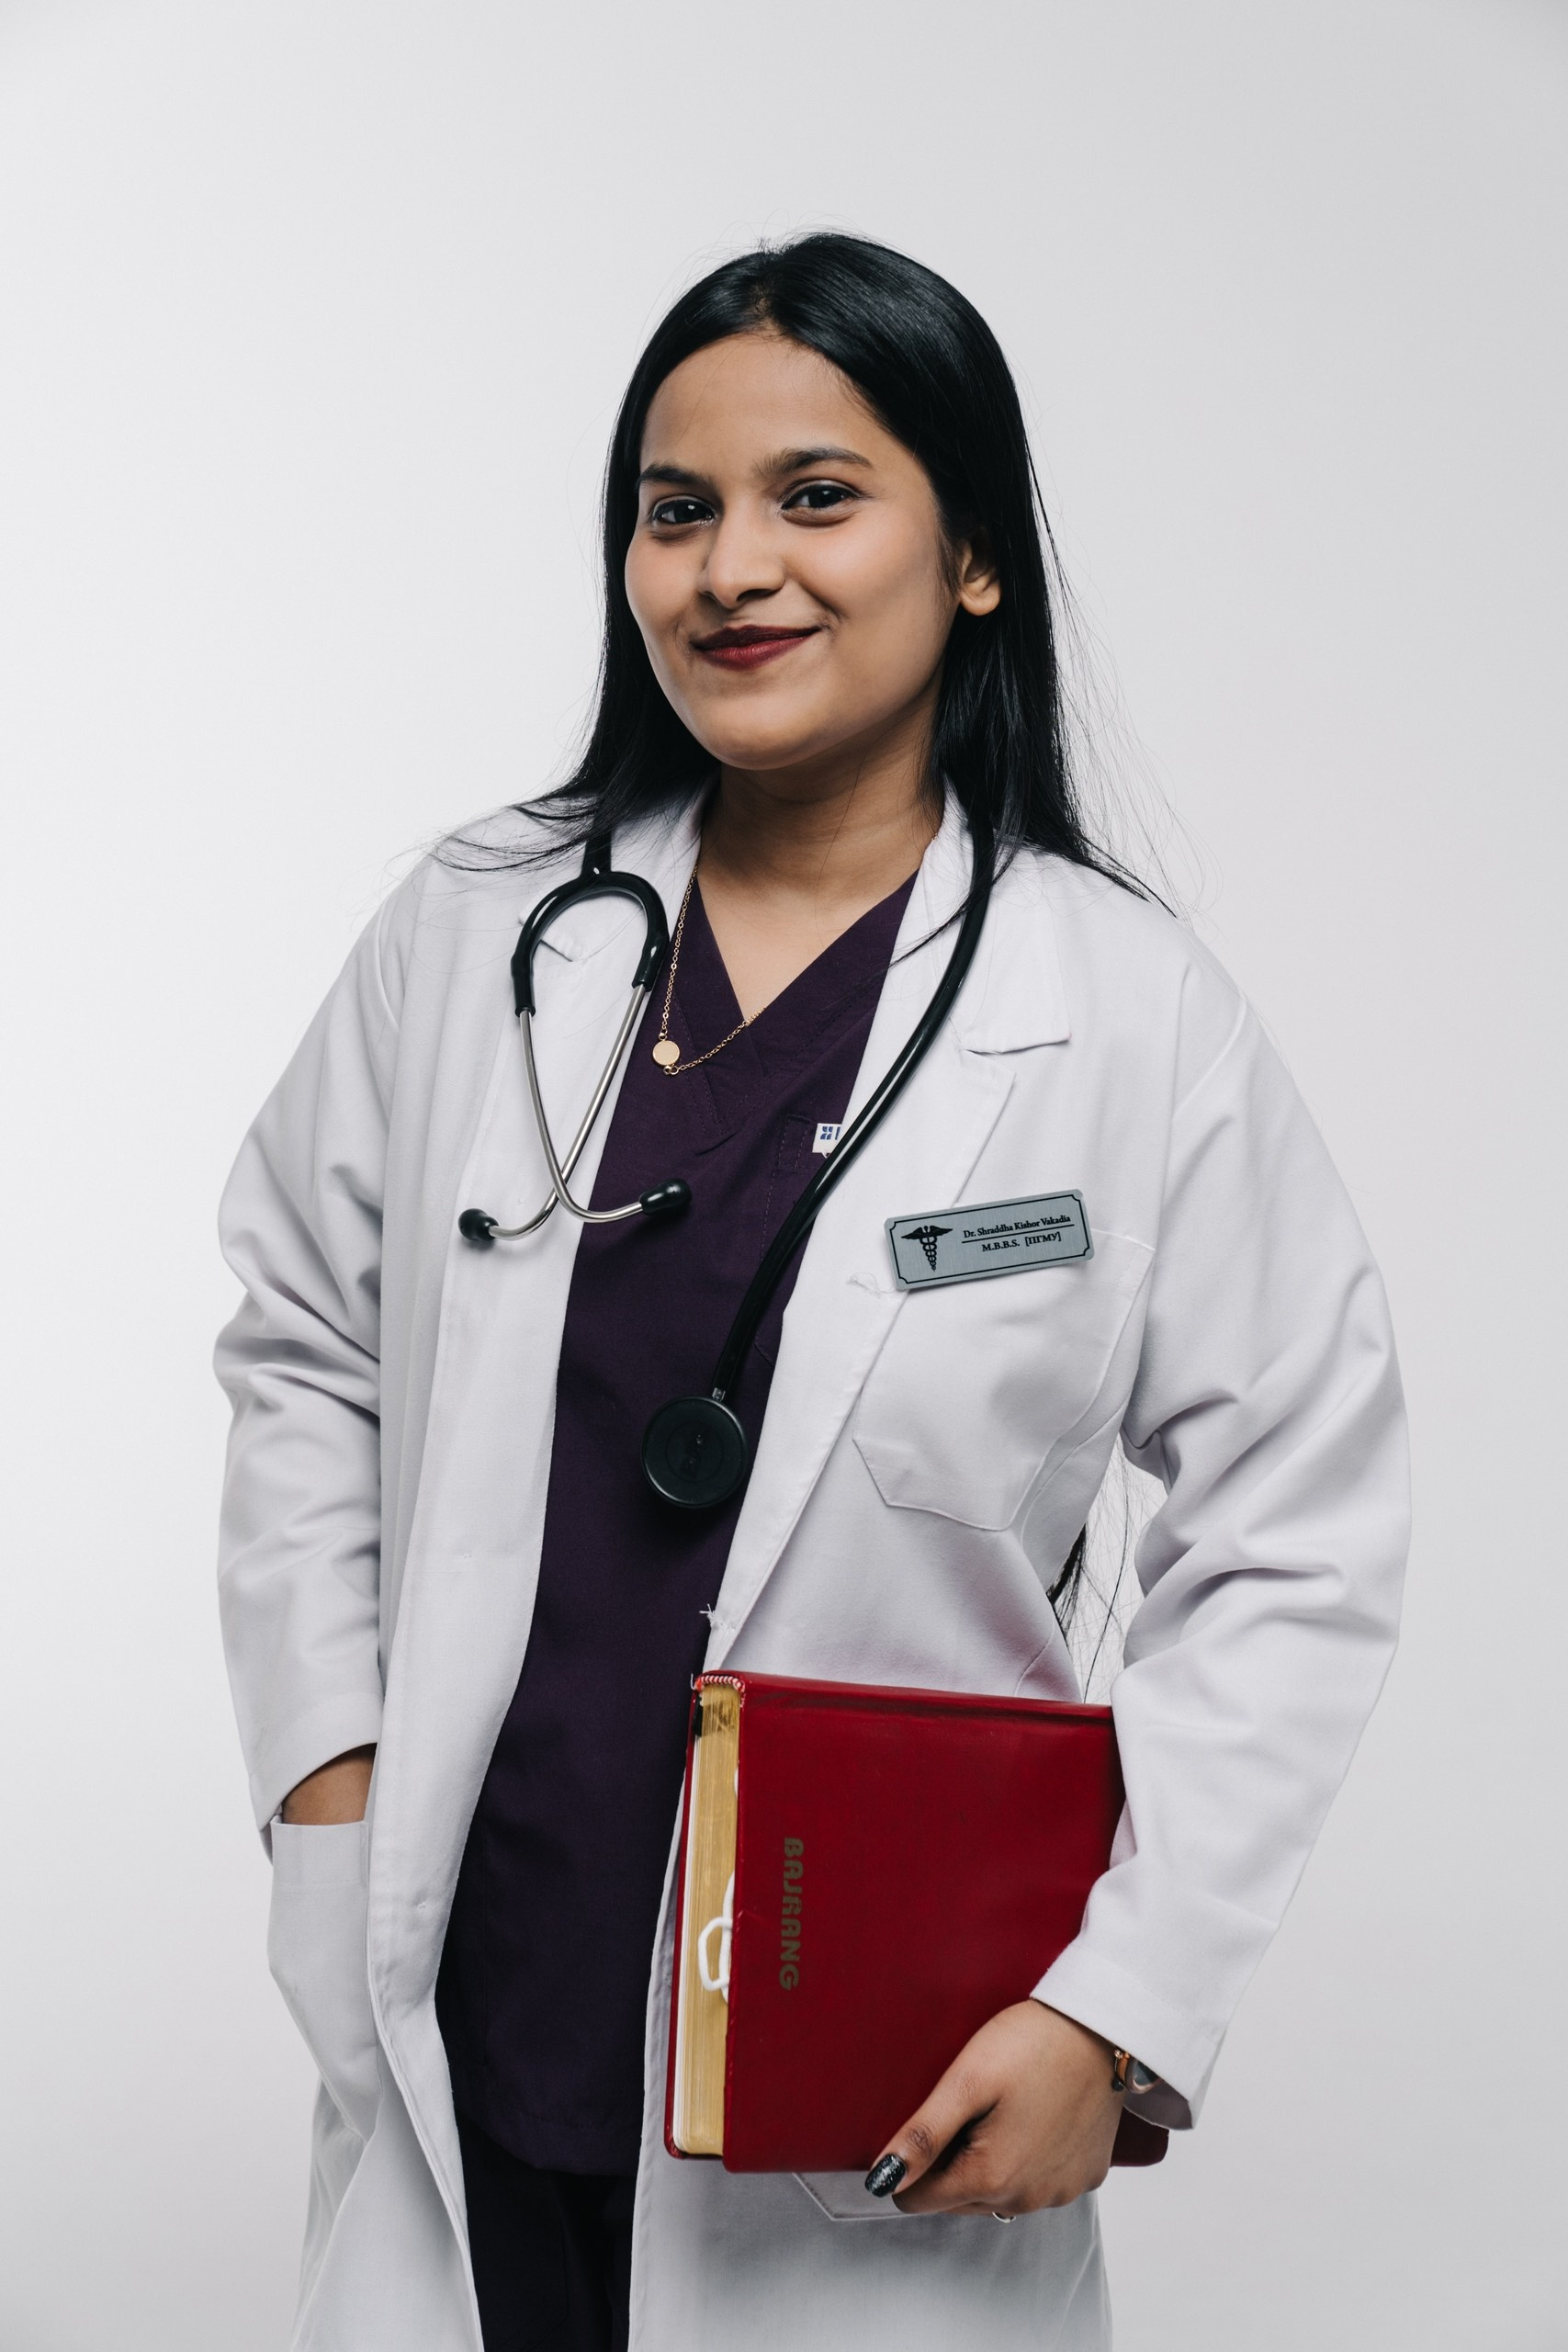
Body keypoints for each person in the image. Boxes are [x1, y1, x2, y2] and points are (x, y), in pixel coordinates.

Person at [216, 233, 1408, 2352]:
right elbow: (305, 1335)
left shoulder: (1124, 1015)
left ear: (973, 556)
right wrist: (330, 1773)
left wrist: (1112, 1999)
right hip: (473, 1996)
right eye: (674, 510)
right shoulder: (483, 925)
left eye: (817, 495)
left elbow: (1299, 1524)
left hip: (875, 2052)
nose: (730, 568)